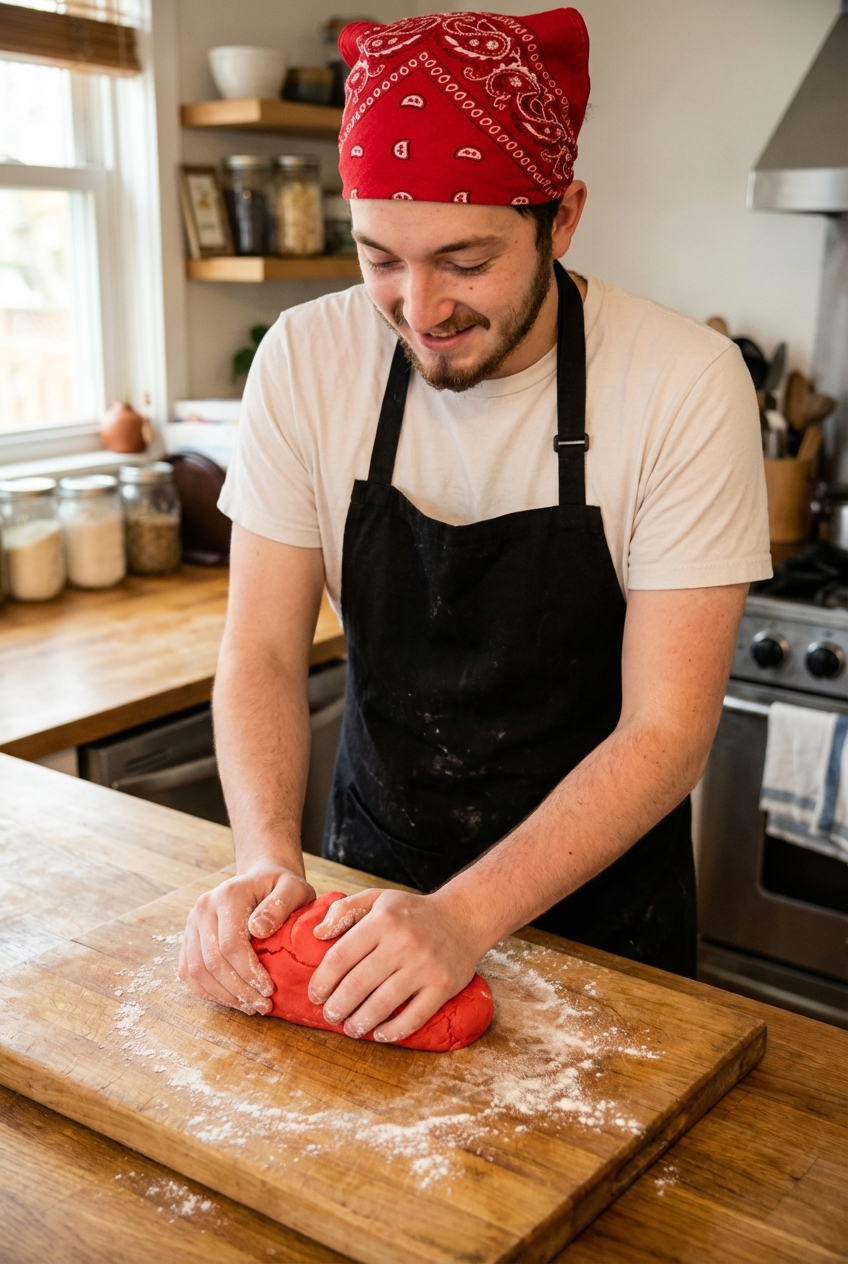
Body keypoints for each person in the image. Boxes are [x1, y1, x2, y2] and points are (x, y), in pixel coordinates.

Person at [179, 9, 771, 1044]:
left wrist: (462, 918)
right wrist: (264, 863)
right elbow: (262, 648)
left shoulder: (682, 381)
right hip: (363, 895)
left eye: (463, 259)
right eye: (379, 261)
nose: (419, 308)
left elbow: (665, 733)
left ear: (563, 216)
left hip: (603, 933)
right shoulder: (305, 358)